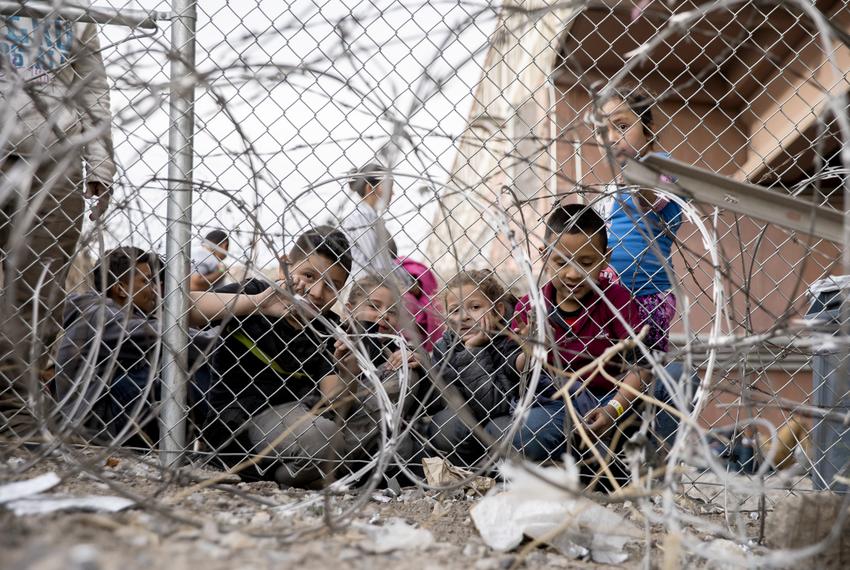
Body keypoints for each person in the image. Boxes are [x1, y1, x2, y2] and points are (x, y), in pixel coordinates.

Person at [0, 15, 115, 426]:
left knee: (37, 296)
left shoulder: (73, 10)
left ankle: (14, 410)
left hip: (55, 157)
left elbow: (93, 85)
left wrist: (101, 163)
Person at [194, 226, 351, 487]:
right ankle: (269, 476)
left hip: (294, 419)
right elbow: (185, 307)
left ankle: (274, 478)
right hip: (240, 421)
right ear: (284, 268)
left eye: (332, 286)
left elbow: (333, 396)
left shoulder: (327, 326)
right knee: (324, 439)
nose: (317, 292)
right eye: (309, 276)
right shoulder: (256, 292)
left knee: (335, 435)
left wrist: (347, 368)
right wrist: (257, 304)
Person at [512, 204, 650, 461]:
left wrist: (613, 408)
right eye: (561, 262)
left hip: (608, 395)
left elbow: (641, 368)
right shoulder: (530, 306)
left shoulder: (616, 300)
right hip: (554, 401)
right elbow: (520, 371)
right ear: (544, 256)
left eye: (586, 263)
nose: (573, 274)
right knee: (527, 433)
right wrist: (531, 351)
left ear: (605, 258)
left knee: (673, 376)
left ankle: (645, 467)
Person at [591, 85, 683, 353]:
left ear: (647, 128)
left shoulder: (660, 166)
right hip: (607, 296)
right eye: (601, 131)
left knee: (641, 367)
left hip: (646, 294)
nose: (610, 138)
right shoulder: (610, 190)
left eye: (621, 126)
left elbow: (651, 199)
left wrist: (635, 176)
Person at [54, 247, 163, 445]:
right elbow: (163, 336)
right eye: (146, 281)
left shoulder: (131, 315)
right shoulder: (99, 316)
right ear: (120, 288)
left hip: (105, 416)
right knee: (158, 376)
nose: (155, 288)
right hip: (92, 425)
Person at [423, 270, 523, 467]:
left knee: (503, 428)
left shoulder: (510, 343)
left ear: (498, 310)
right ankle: (463, 471)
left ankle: (499, 472)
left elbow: (495, 406)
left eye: (475, 307)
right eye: (454, 310)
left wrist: (473, 351)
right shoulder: (444, 347)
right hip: (464, 429)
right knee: (446, 424)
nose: (464, 317)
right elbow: (435, 401)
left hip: (499, 422)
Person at [331, 275, 424, 476]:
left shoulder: (396, 349)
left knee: (405, 448)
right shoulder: (335, 341)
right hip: (335, 425)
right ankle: (336, 461)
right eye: (374, 307)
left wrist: (419, 362)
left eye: (392, 312)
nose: (384, 316)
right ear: (349, 310)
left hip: (376, 435)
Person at [339, 162, 396, 281]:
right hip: (366, 290)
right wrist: (410, 282)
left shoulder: (371, 219)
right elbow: (380, 266)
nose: (392, 193)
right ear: (370, 188)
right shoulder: (360, 219)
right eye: (388, 187)